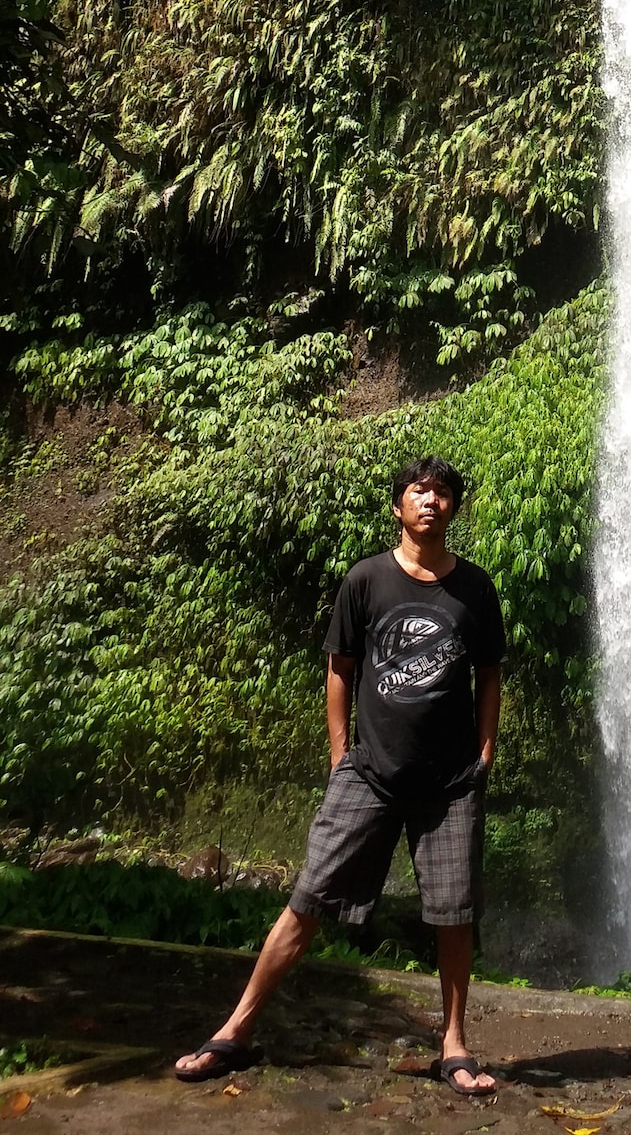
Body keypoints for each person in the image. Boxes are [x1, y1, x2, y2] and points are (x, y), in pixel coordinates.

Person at [175, 455, 505, 1095]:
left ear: (454, 509)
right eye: (419, 491)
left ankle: (454, 1045)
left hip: (450, 783)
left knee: (454, 913)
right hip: (369, 773)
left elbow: (489, 672)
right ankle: (235, 1030)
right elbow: (340, 668)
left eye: (441, 493)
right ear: (398, 506)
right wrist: (339, 755)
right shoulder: (367, 579)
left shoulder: (475, 590)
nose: (430, 500)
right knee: (308, 899)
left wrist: (484, 754)